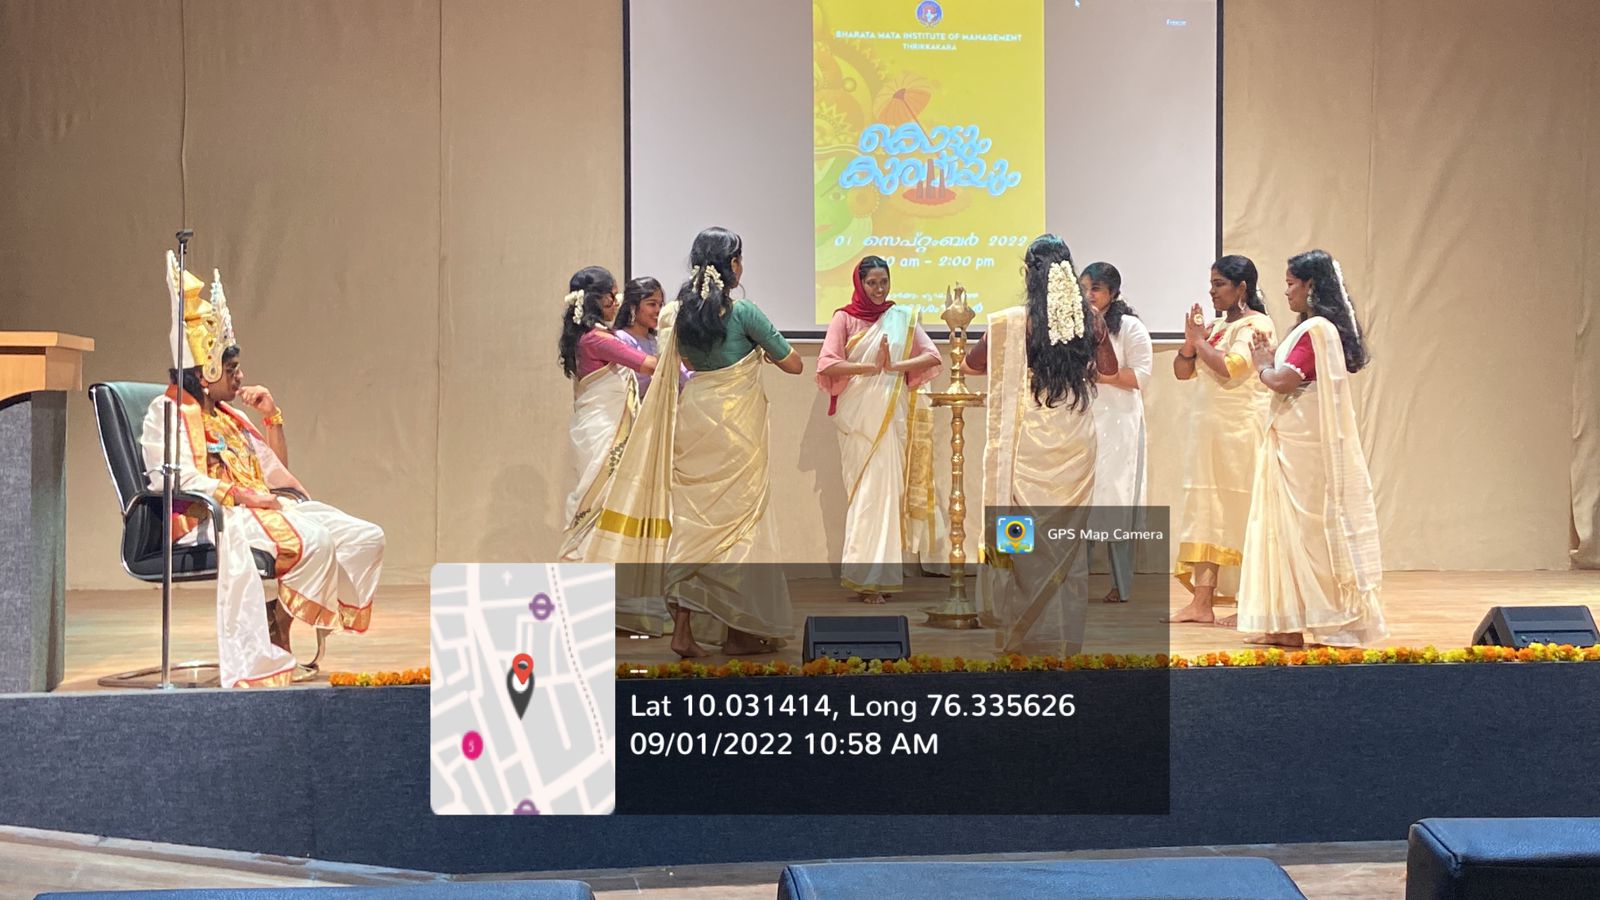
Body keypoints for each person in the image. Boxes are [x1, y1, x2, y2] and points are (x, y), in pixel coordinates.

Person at [142, 254, 385, 687]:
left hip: (262, 509)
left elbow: (276, 475)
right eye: (231, 370)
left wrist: (273, 417)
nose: (240, 378)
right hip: (213, 518)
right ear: (206, 372)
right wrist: (239, 496)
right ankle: (276, 630)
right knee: (315, 539)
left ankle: (280, 615)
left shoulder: (230, 417)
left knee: (366, 537)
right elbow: (170, 478)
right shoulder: (168, 412)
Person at [589, 227, 803, 658]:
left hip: (694, 418)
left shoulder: (675, 314)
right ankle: (738, 631)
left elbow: (683, 361)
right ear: (732, 265)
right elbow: (795, 364)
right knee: (738, 529)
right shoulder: (744, 313)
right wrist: (759, 352)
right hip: (735, 427)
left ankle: (685, 630)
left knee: (693, 526)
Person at [1236, 249, 1385, 647]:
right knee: (1284, 531)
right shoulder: (1314, 329)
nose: (1286, 292)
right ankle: (1285, 624)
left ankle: (1331, 620)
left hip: (1303, 454)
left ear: (1310, 285)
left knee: (1306, 534)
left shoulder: (1316, 329)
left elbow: (1284, 381)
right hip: (1293, 445)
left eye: (1290, 284)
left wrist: (1262, 364)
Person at [964, 235, 1101, 656]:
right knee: (1066, 543)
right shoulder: (1090, 319)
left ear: (1029, 273)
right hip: (1074, 437)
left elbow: (972, 364)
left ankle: (1018, 634)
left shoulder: (1013, 323)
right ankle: (1062, 638)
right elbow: (1109, 367)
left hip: (1028, 441)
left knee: (1019, 536)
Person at [816, 255, 943, 603]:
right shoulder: (843, 318)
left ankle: (882, 579)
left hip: (890, 418)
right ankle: (864, 578)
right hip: (858, 422)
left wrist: (896, 365)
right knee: (867, 497)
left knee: (887, 496)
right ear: (860, 284)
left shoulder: (900, 316)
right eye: (872, 283)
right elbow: (826, 363)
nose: (879, 289)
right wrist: (868, 368)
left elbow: (933, 356)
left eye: (884, 282)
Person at [1164, 255, 1277, 625]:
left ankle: (1252, 603)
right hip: (1207, 435)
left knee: (1242, 512)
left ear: (1241, 287)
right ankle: (1201, 603)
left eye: (1219, 284)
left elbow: (1231, 367)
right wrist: (1189, 344)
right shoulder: (1214, 328)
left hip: (1240, 434)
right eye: (1211, 284)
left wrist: (1199, 342)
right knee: (1205, 511)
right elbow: (1182, 372)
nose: (1211, 291)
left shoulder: (1257, 325)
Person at [558, 266, 659, 562]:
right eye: (612, 296)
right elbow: (649, 365)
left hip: (601, 429)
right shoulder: (596, 340)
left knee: (607, 501)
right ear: (596, 300)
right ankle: (586, 563)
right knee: (599, 499)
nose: (617, 303)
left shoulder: (590, 337)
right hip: (604, 432)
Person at [1079, 262, 1151, 604]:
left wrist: (1102, 376)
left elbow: (1139, 377)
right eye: (1084, 288)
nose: (1089, 295)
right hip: (1083, 420)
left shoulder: (1130, 328)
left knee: (1116, 499)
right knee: (1082, 500)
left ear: (1113, 292)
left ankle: (1121, 586)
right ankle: (1075, 584)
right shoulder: (1076, 325)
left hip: (1120, 423)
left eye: (1095, 289)